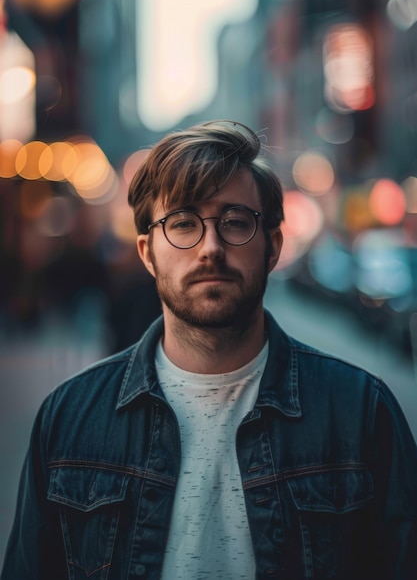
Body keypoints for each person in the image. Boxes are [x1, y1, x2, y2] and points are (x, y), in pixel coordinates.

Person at [2, 120, 417, 580]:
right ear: (147, 252)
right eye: (183, 223)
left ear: (273, 246)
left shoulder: (361, 413)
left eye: (235, 222)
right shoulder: (69, 418)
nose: (210, 248)